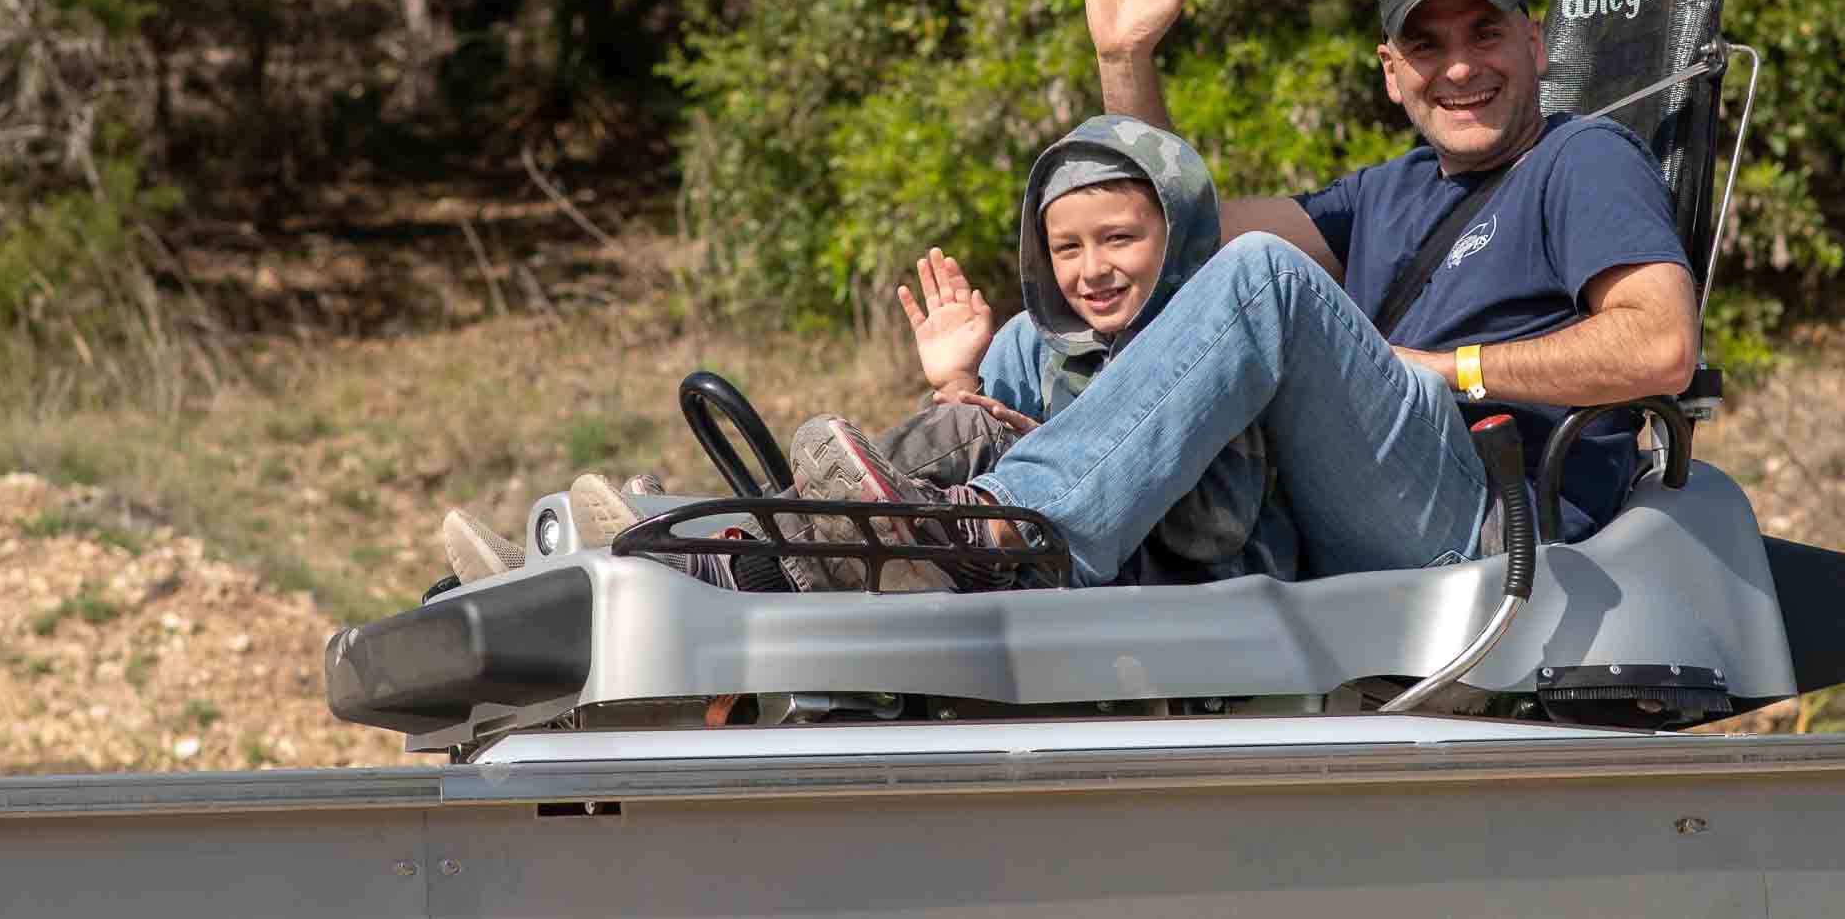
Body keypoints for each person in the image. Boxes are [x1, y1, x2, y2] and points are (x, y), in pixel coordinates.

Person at [782, 0, 1699, 587]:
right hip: (1362, 487)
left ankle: (1005, 531)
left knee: (1265, 276)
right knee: (1047, 325)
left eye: (1484, 34)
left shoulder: (1583, 159)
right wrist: (1124, 61)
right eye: (1427, 47)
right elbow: (1175, 238)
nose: (1459, 66)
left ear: (1534, 45)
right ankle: (799, 543)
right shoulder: (1392, 189)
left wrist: (1449, 369)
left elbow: (1660, 344)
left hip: (1490, 513)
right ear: (1391, 73)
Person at [438, 113, 1292, 591]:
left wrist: (1012, 433)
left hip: (1153, 584)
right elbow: (967, 475)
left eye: (1120, 239)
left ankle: (700, 550)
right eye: (1066, 248)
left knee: (960, 440)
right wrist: (960, 378)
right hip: (1010, 565)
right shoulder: (1037, 343)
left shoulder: (1208, 347)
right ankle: (609, 565)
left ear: (1175, 235)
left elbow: (1215, 528)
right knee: (949, 434)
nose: (1092, 270)